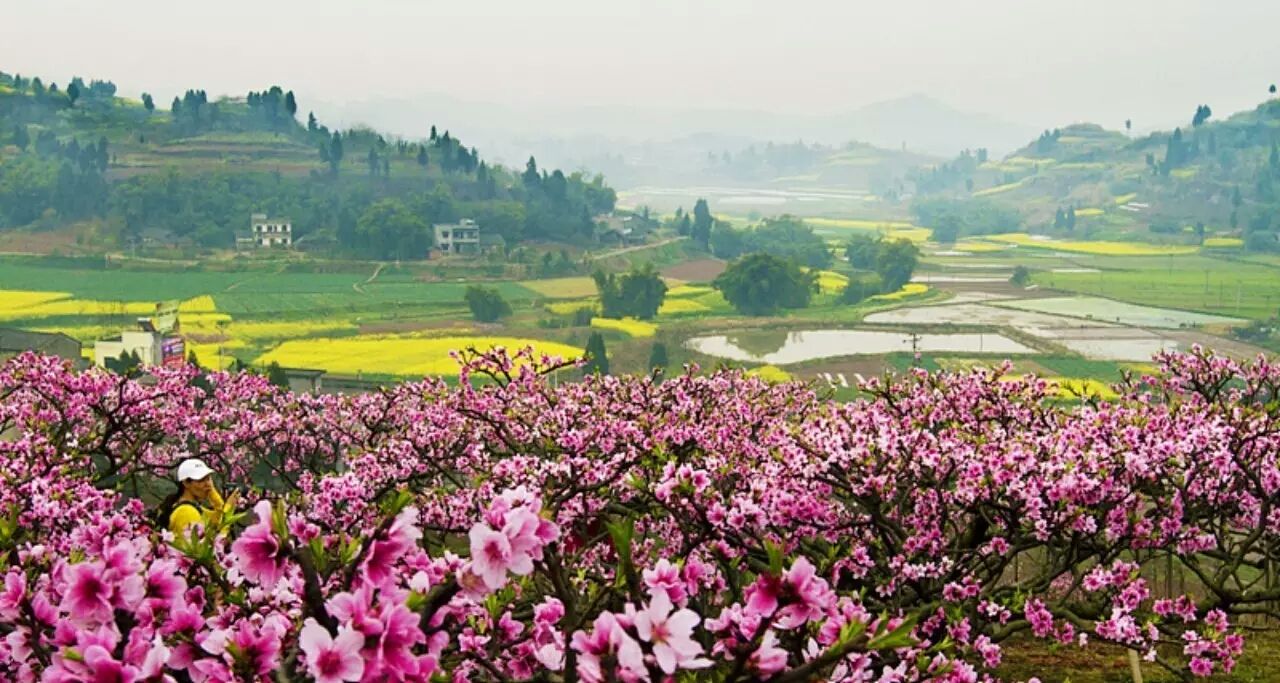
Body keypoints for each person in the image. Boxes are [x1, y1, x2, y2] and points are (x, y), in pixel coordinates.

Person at [161, 458, 238, 535]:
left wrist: (210, 491)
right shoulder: (186, 512)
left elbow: (218, 518)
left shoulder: (191, 507)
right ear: (186, 483)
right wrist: (228, 510)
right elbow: (208, 546)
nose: (208, 484)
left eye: (208, 479)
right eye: (201, 480)